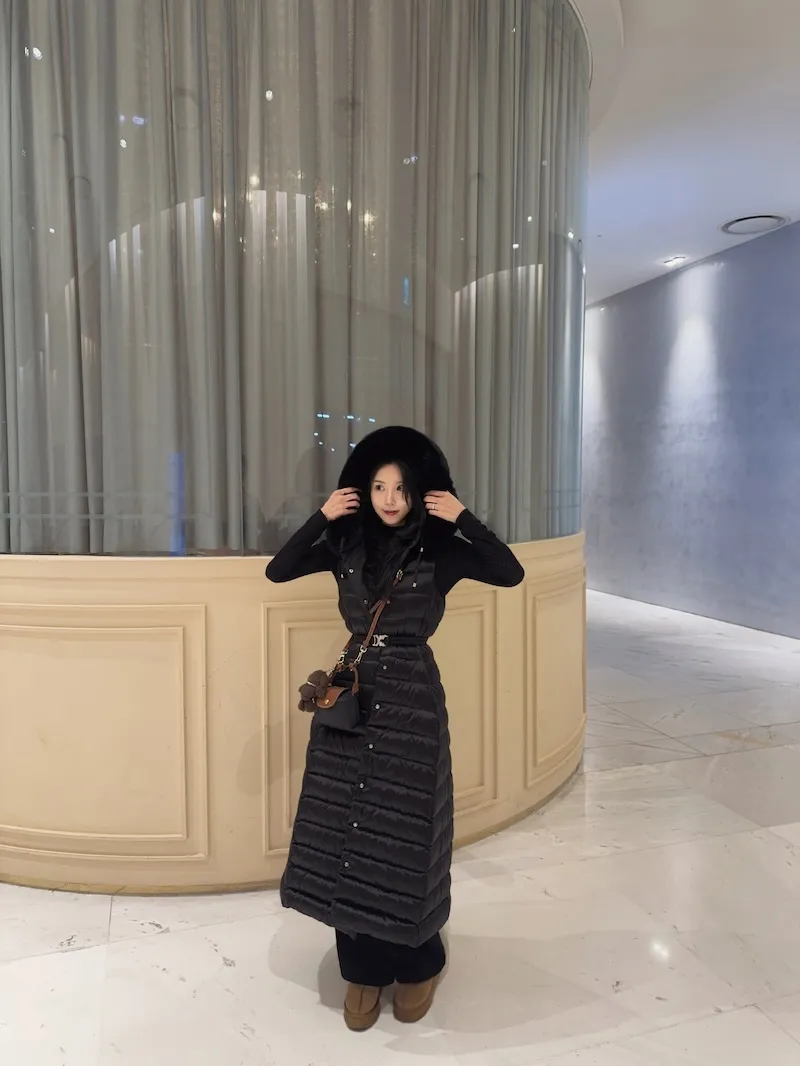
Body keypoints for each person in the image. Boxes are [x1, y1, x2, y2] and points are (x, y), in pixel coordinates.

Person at [265, 426, 524, 1031]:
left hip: (412, 699)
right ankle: (361, 967)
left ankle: (417, 963)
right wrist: (321, 516)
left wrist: (464, 517)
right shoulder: (345, 545)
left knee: (407, 831)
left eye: (402, 488)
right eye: (379, 486)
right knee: (346, 827)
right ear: (362, 490)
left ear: (421, 492)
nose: (390, 499)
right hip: (351, 699)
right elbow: (279, 570)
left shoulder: (441, 551)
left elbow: (509, 572)